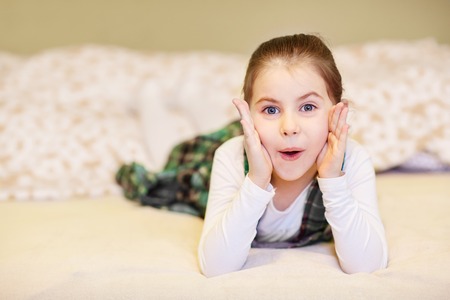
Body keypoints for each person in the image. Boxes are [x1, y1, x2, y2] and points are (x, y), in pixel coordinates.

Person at [198, 33, 388, 277]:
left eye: (308, 107)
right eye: (271, 109)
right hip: (201, 168)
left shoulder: (352, 159)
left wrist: (333, 180)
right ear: (248, 115)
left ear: (337, 113)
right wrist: (256, 180)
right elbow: (215, 267)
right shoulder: (231, 157)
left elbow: (367, 266)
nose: (289, 127)